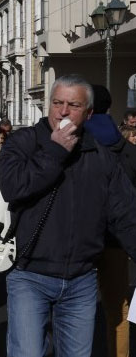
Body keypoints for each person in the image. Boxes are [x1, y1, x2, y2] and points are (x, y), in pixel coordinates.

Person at [0, 75, 136, 357]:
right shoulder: (24, 142)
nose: (62, 111)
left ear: (89, 113)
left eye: (73, 105)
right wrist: (55, 151)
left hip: (81, 280)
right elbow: (12, 186)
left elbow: (125, 214)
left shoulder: (100, 155)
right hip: (29, 276)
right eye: (57, 102)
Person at [83, 85, 135, 357]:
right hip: (117, 239)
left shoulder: (74, 145)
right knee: (117, 309)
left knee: (72, 308)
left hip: (78, 237)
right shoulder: (126, 148)